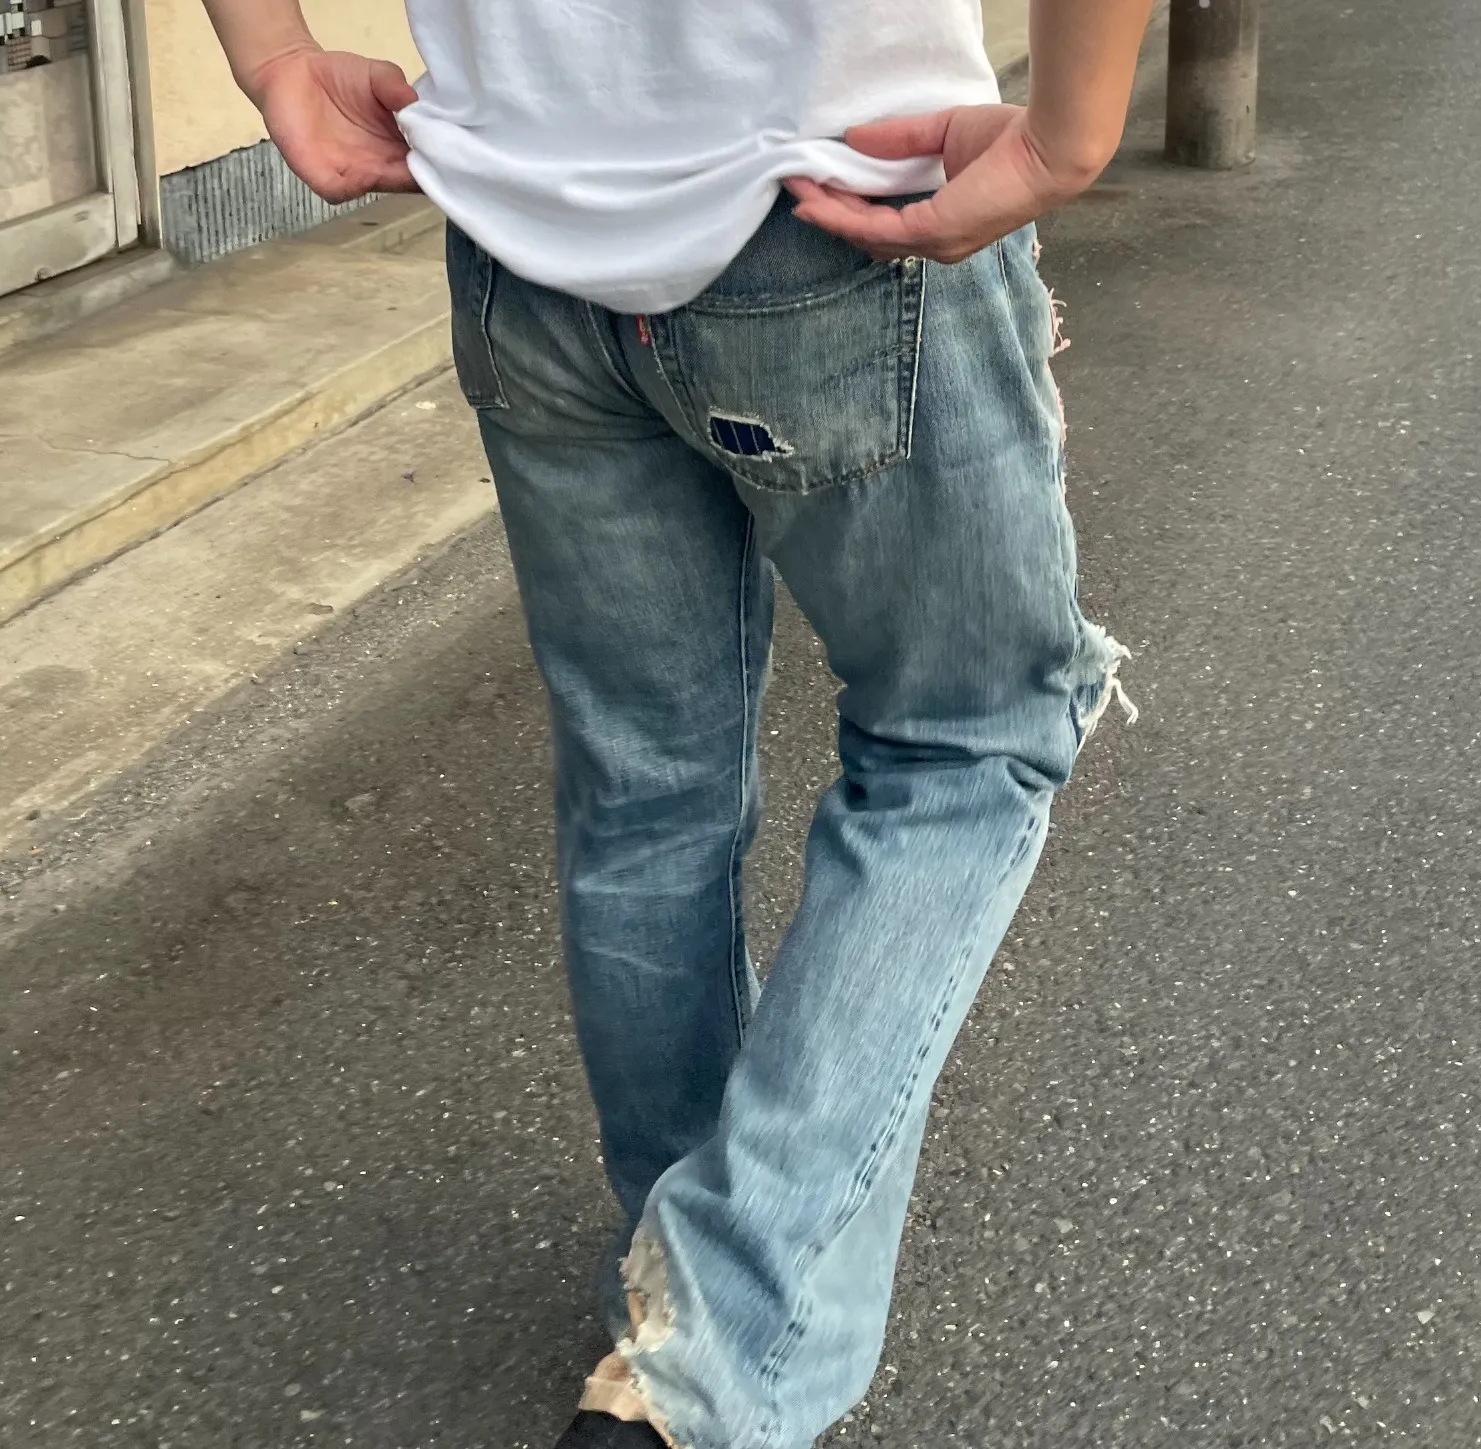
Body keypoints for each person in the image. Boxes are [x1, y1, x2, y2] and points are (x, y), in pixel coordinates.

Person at [199, 1, 1151, 1445]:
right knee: (964, 742)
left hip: (524, 235)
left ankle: (665, 1293)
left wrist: (274, 53)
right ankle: (705, 1358)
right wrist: (1074, 131)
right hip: (838, 199)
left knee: (647, 787)